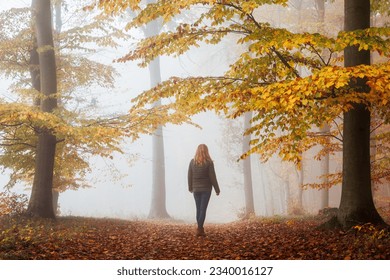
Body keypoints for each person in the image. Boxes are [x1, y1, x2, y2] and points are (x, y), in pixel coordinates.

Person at [188, 144, 220, 237]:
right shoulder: (209, 162)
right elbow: (212, 177)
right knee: (203, 209)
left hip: (196, 189)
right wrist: (217, 189)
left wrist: (190, 187)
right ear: (206, 151)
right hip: (206, 189)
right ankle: (199, 229)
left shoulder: (192, 162)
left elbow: (189, 175)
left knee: (198, 209)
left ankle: (200, 229)